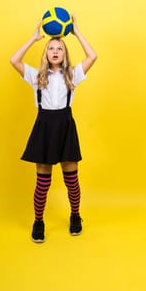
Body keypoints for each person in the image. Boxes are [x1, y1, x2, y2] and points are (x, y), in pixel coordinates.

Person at [10, 14, 97, 243]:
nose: (56, 51)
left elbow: (93, 55)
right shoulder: (36, 76)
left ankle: (75, 215)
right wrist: (33, 38)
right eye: (51, 48)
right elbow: (14, 60)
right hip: (44, 127)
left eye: (59, 48)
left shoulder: (73, 75)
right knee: (43, 183)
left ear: (64, 53)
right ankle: (38, 221)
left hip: (65, 126)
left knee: (72, 181)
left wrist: (76, 31)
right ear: (46, 54)